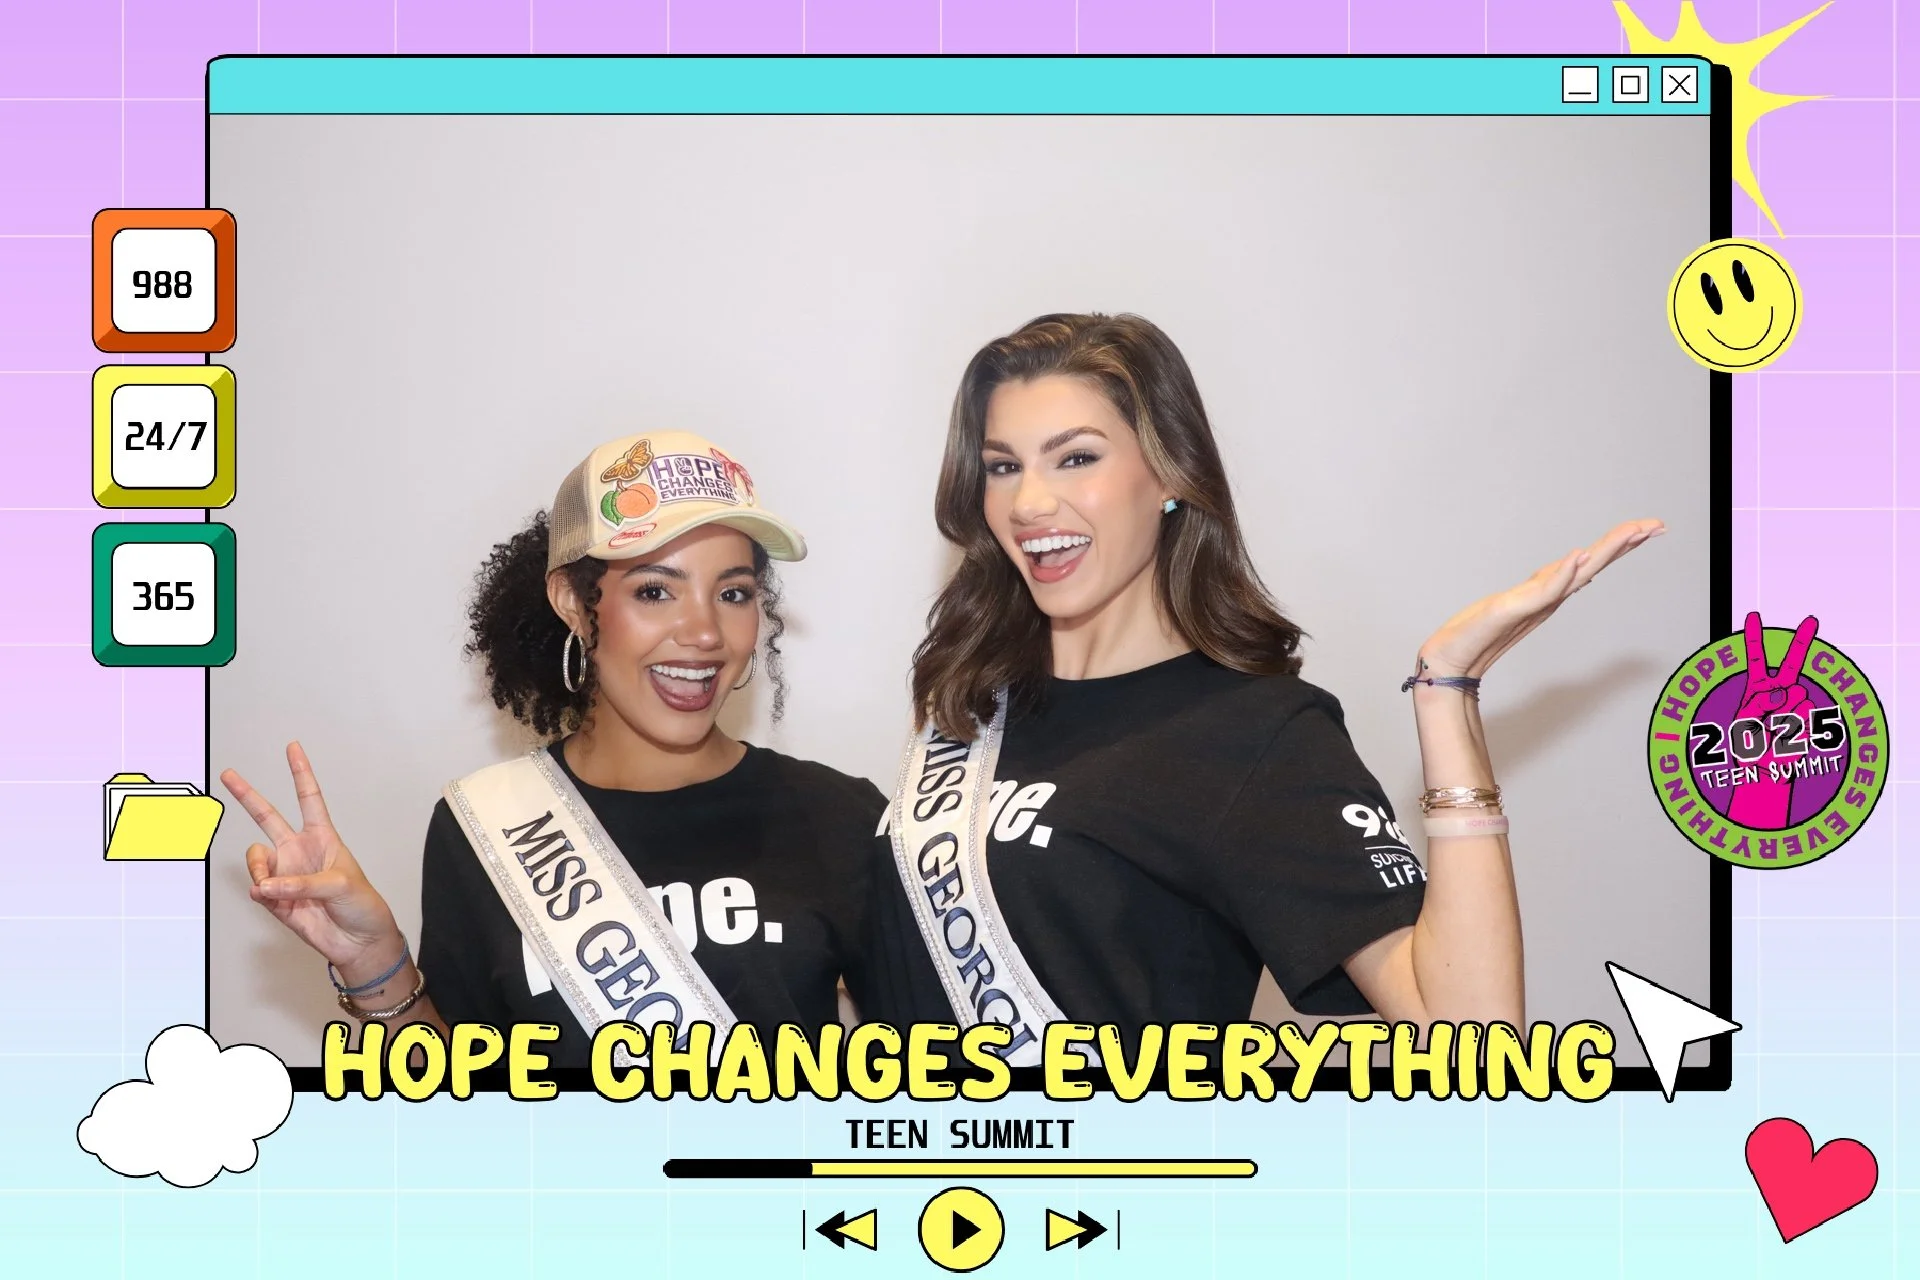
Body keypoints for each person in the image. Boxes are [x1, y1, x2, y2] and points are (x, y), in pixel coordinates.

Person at [875, 313, 1664, 1060]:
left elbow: (1470, 1033)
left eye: (1076, 457)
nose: (1029, 502)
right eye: (1003, 466)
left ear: (1169, 476)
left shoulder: (1254, 733)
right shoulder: (967, 701)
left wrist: (1446, 690)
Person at [221, 431, 895, 1065]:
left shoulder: (839, 814)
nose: (704, 632)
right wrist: (373, 960)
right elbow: (458, 1113)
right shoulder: (484, 826)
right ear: (573, 602)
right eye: (655, 590)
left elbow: (929, 1085)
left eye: (734, 593)